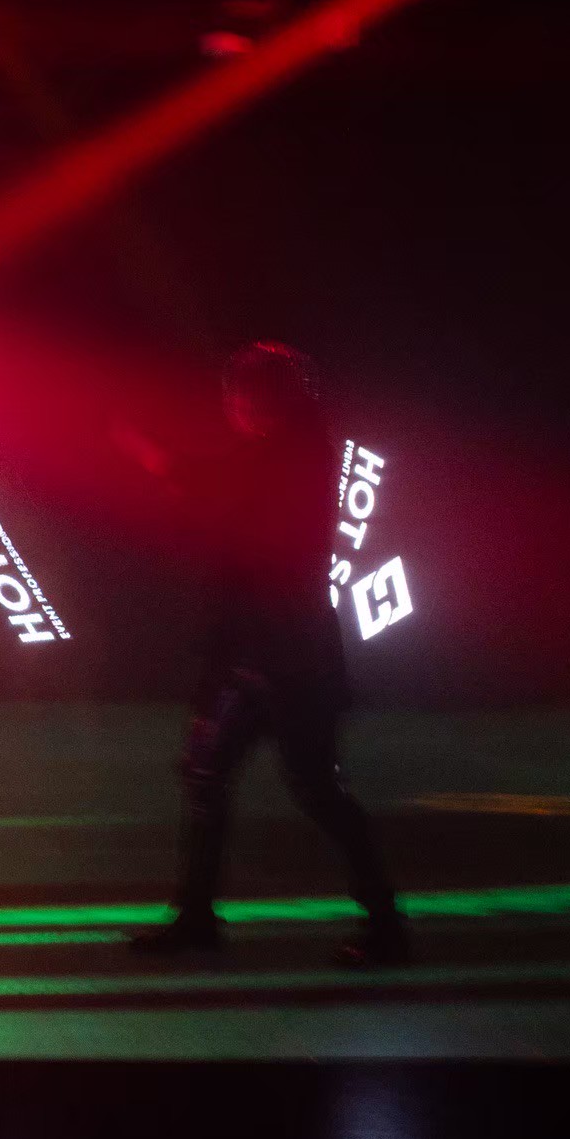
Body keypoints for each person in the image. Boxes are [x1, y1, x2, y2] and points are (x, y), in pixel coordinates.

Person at [117, 341, 408, 968]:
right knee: (243, 778)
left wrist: (152, 459)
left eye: (244, 394)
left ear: (265, 399)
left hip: (281, 653)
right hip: (279, 651)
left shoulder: (287, 457)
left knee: (297, 786)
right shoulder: (295, 452)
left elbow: (218, 497)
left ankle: (381, 924)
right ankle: (204, 918)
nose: (234, 405)